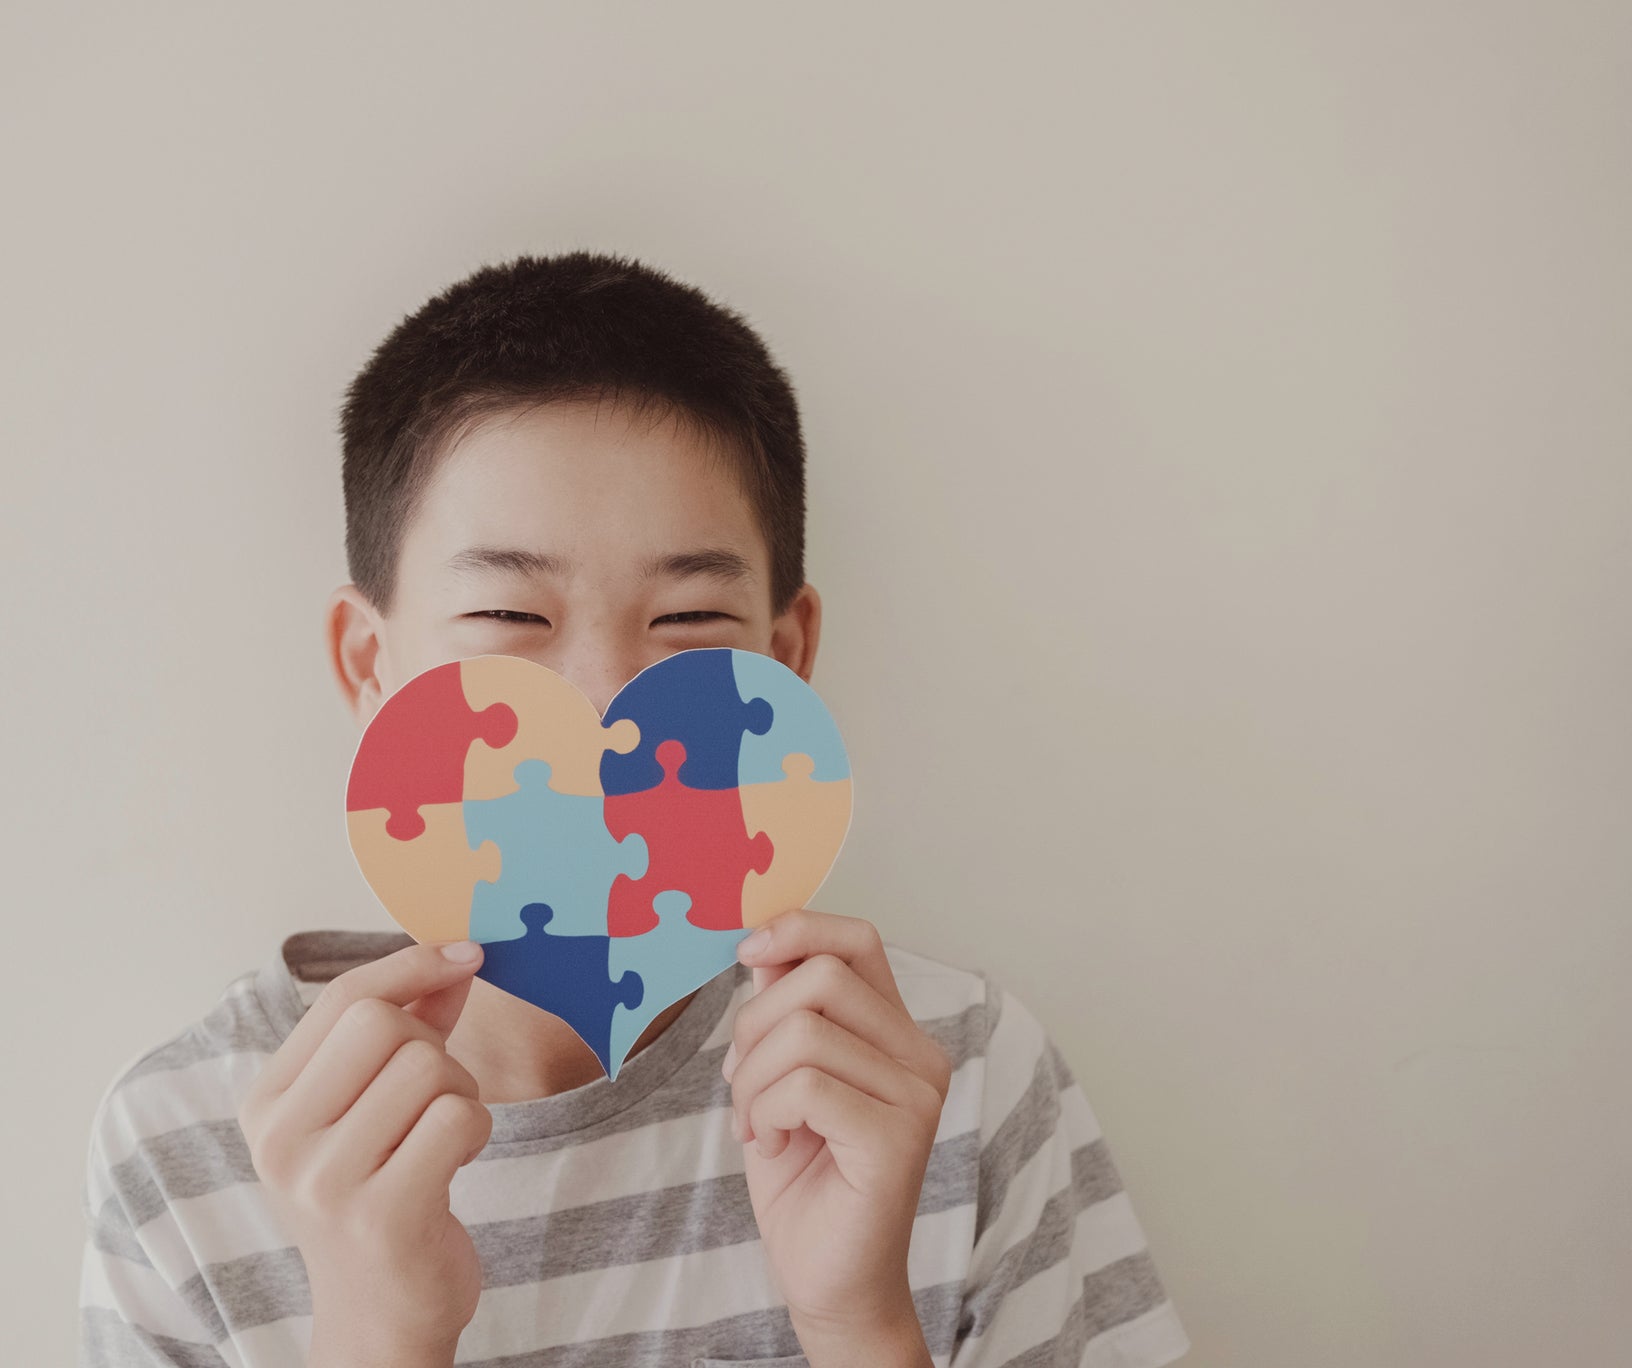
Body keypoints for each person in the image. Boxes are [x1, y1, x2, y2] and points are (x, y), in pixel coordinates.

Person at [77, 250, 1191, 1368]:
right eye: (511, 611)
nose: (605, 706)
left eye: (689, 618)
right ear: (369, 664)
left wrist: (857, 1324)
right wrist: (377, 1336)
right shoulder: (190, 1148)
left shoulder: (951, 1078)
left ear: (785, 658)